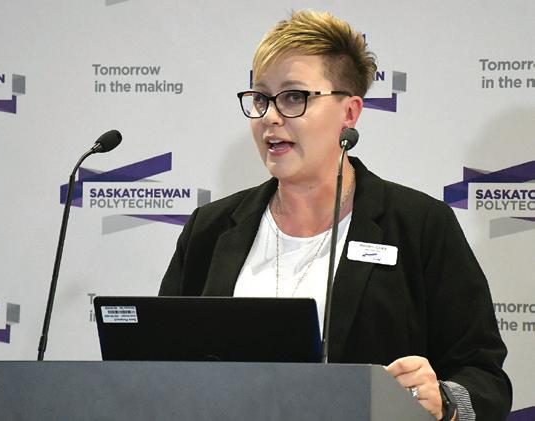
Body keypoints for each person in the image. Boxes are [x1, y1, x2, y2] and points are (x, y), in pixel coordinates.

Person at [159, 10, 512, 421]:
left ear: (350, 113)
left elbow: (485, 377)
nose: (270, 117)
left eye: (294, 97)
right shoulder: (210, 228)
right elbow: (158, 366)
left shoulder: (418, 225)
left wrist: (446, 400)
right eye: (260, 98)